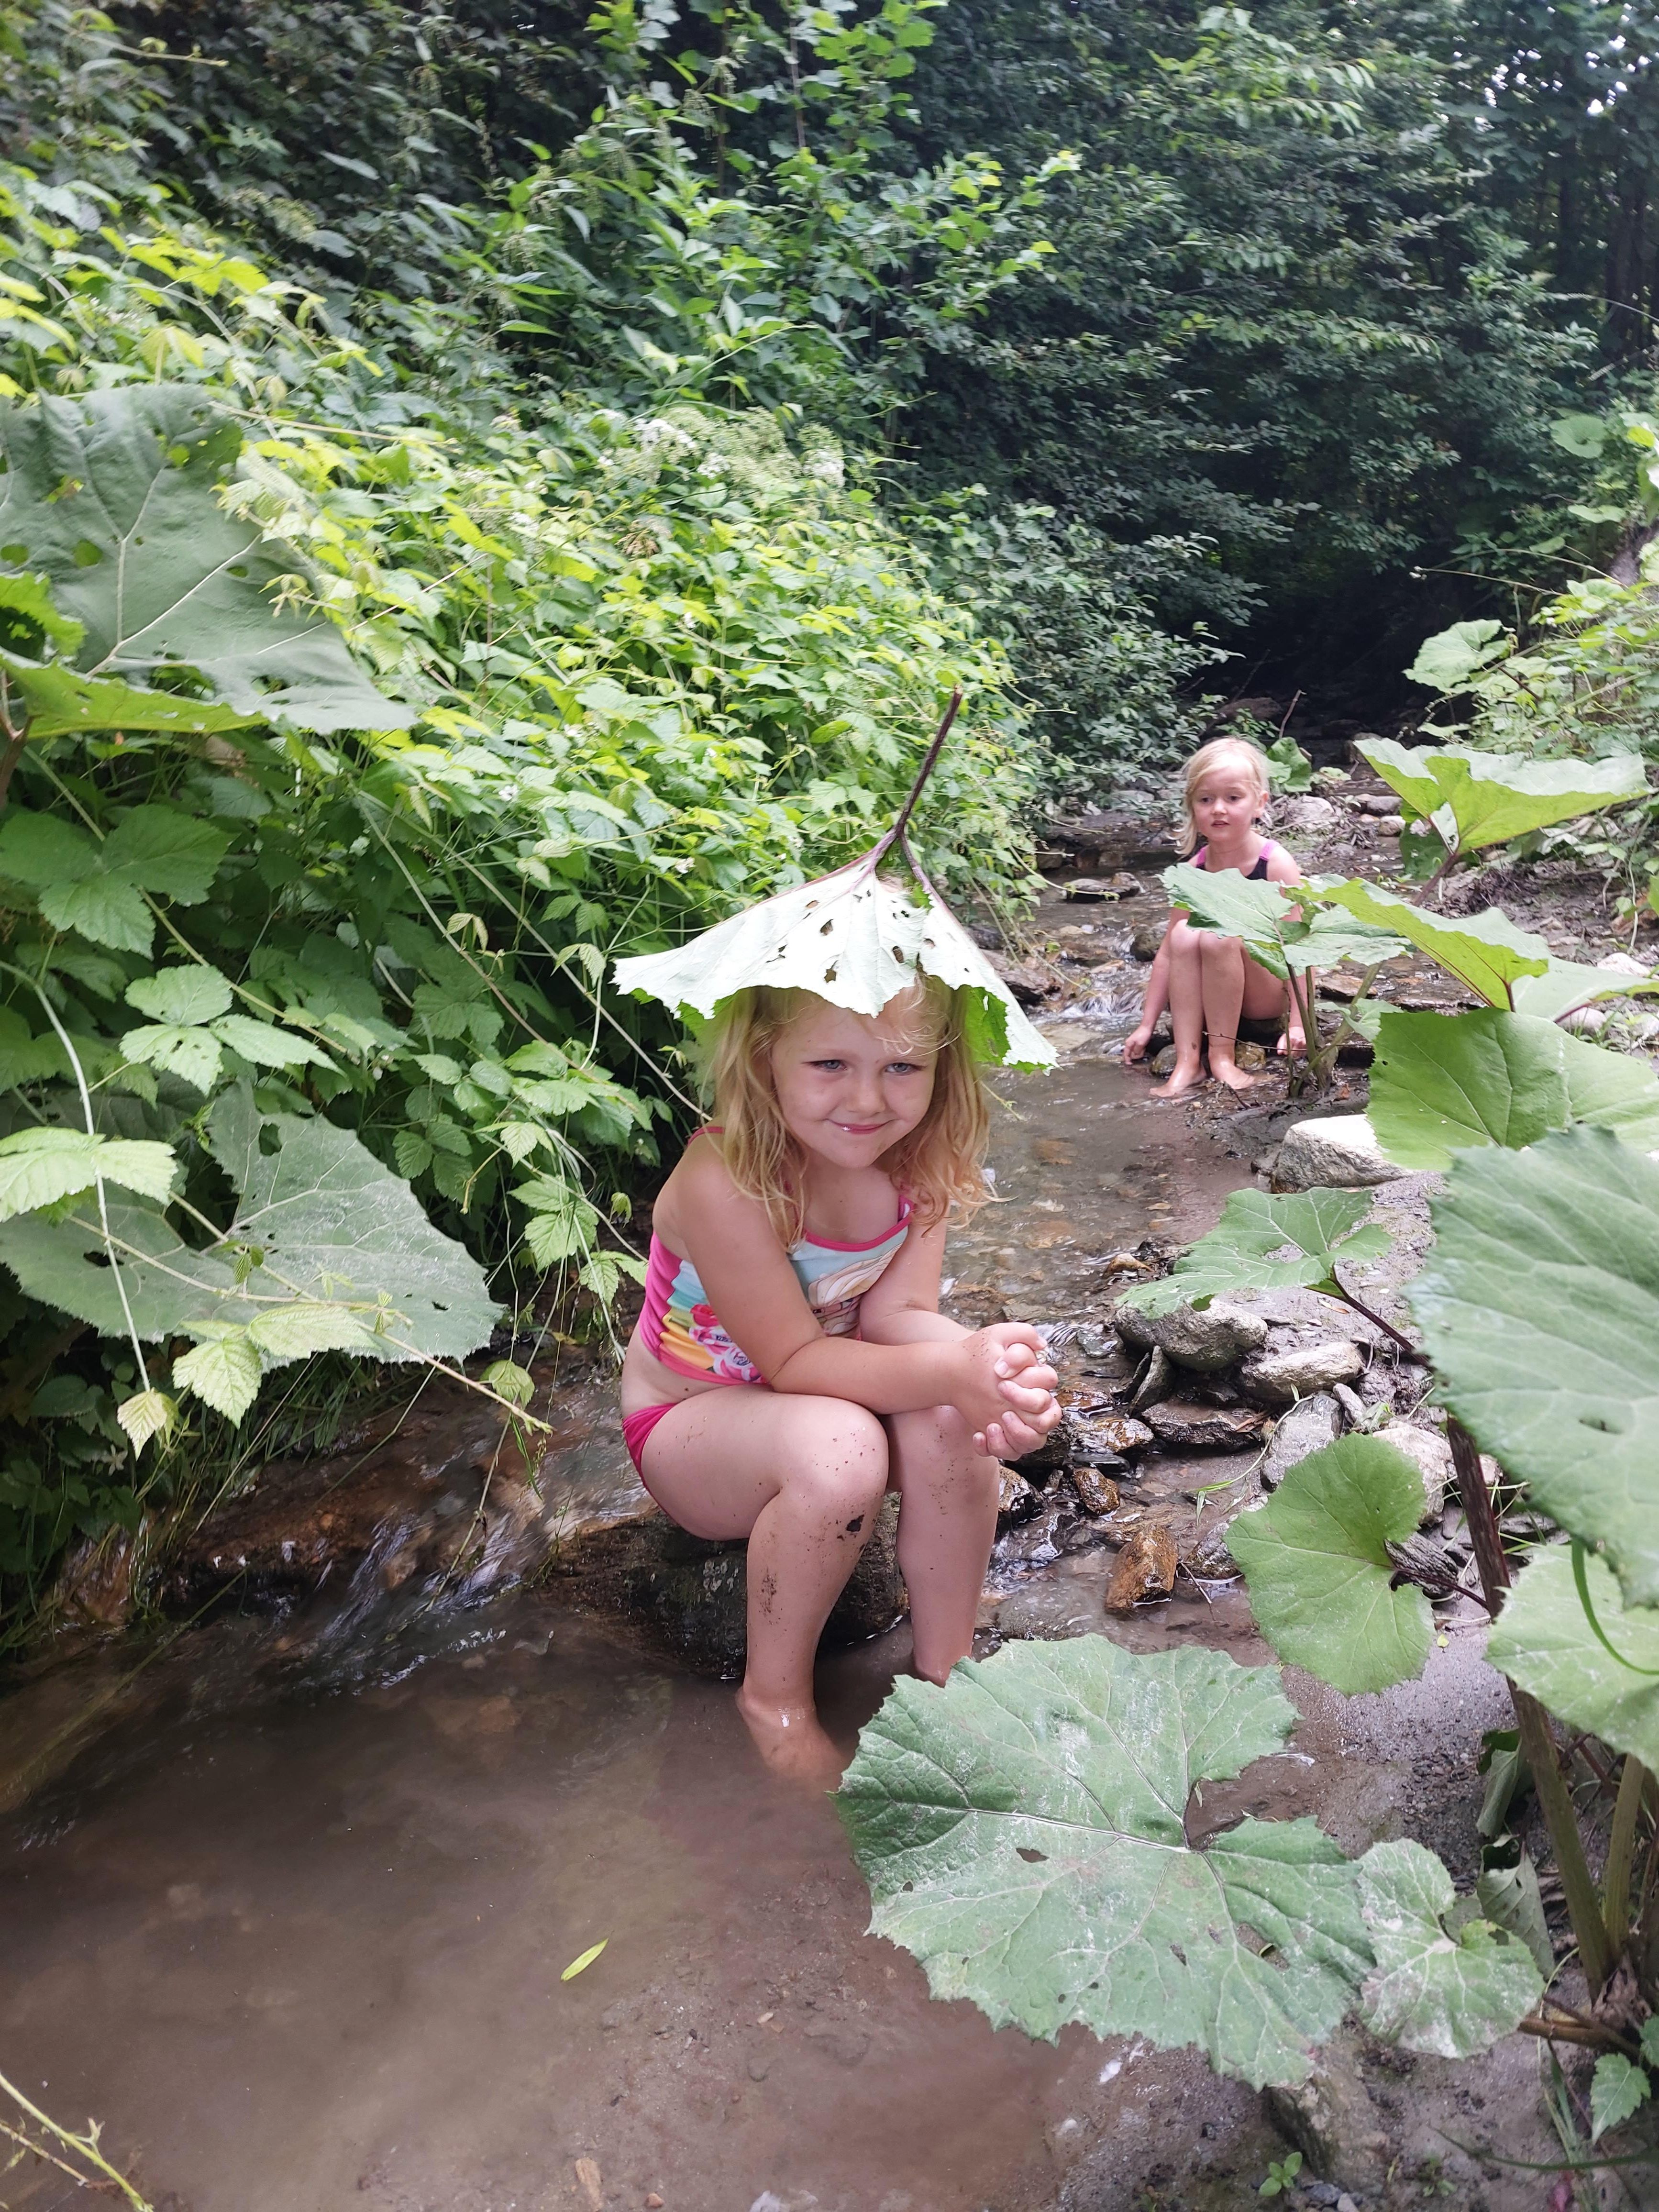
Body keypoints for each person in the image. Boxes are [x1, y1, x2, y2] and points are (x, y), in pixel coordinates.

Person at [618, 976, 1062, 1785]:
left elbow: (898, 1318)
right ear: (765, 1059)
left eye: (902, 1067)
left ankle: (949, 1670)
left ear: (942, 1068)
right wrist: (952, 1368)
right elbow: (794, 1360)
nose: (866, 1099)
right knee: (844, 1447)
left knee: (948, 1415)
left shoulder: (918, 1159)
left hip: (819, 1398)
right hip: (694, 1428)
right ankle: (774, 1701)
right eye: (830, 1064)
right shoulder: (725, 1176)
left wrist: (991, 1375)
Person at [1125, 737, 1306, 1097]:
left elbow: (1301, 951)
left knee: (1216, 933)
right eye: (1206, 800)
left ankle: (1222, 1058)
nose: (1218, 809)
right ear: (1192, 807)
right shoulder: (1195, 869)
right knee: (1182, 933)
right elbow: (1167, 954)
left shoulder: (1274, 864)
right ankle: (1188, 1062)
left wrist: (1299, 1026)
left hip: (1262, 998)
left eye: (1233, 798)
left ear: (1259, 804)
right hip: (1213, 995)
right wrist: (1146, 1025)